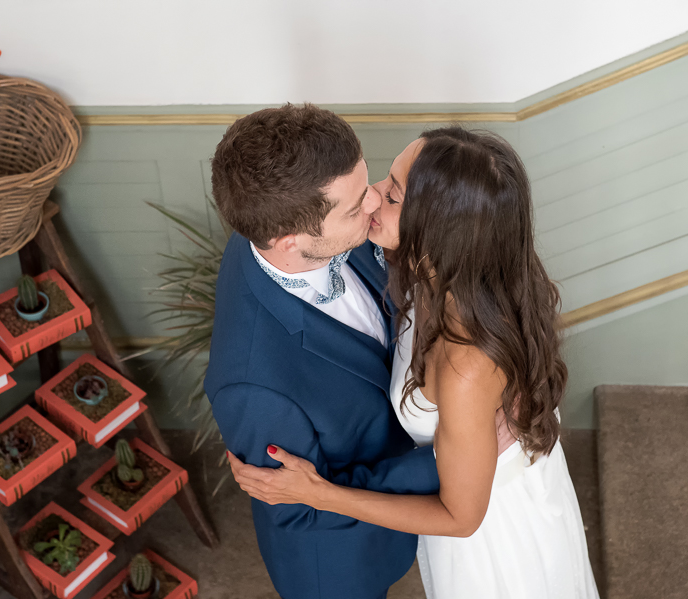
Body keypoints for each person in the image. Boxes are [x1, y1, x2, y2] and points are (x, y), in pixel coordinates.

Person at [229, 127, 601, 599]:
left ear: (440, 226)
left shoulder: (466, 365)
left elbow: (461, 518)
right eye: (387, 180)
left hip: (492, 537)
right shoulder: (440, 268)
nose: (371, 199)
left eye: (392, 194)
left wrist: (319, 493)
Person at [205, 104, 440, 599]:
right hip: (338, 563)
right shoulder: (253, 385)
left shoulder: (287, 220)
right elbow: (300, 504)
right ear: (289, 241)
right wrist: (457, 459)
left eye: (368, 185)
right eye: (356, 208)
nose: (377, 201)